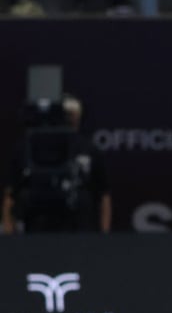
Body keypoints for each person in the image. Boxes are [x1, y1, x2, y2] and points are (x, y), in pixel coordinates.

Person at [2, 94, 111, 234]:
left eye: (73, 113)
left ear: (80, 115)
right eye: (67, 113)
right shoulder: (28, 146)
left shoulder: (88, 148)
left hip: (78, 227)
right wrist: (8, 233)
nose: (70, 117)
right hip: (37, 226)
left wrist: (105, 235)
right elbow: (10, 193)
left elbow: (104, 194)